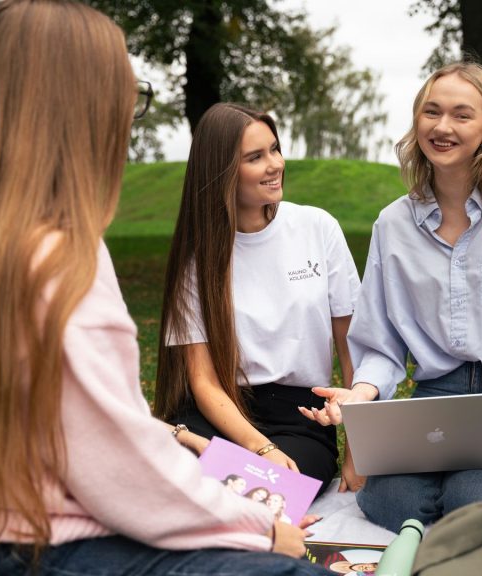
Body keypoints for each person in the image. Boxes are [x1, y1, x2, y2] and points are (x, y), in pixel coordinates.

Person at [0, 2, 330, 574]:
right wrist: (261, 529)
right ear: (81, 109)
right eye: (128, 96)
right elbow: (119, 472)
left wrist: (188, 445)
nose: (129, 119)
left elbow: (84, 432)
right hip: (37, 547)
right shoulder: (59, 257)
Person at [301, 62, 482, 532]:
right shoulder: (392, 224)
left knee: (473, 500)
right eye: (431, 112)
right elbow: (380, 345)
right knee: (388, 501)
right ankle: (466, 482)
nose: (442, 127)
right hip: (434, 398)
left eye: (461, 115)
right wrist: (361, 395)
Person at [154, 103, 361, 495]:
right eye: (255, 157)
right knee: (170, 475)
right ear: (222, 171)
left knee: (279, 488)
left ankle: (207, 466)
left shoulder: (317, 227)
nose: (275, 164)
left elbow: (353, 351)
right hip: (221, 412)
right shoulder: (196, 259)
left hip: (300, 418)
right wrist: (259, 448)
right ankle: (202, 461)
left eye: (274, 149)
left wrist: (358, 450)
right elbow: (203, 381)